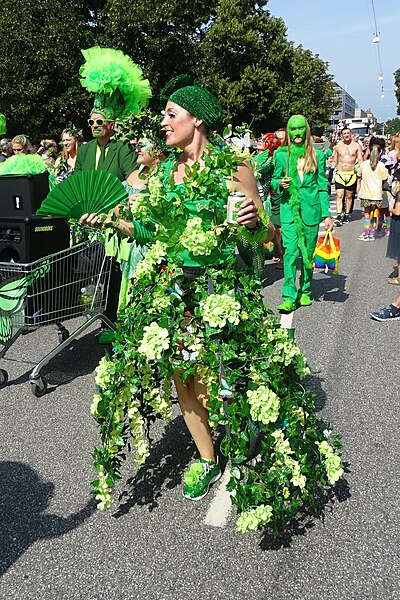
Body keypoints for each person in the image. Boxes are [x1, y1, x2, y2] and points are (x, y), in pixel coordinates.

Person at [76, 46, 152, 344]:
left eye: (99, 122)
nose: (94, 126)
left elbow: (130, 180)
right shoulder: (84, 150)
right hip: (87, 219)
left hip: (112, 219)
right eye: (91, 122)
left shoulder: (122, 150)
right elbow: (80, 182)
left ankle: (111, 321)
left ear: (111, 124)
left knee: (113, 272)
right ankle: (98, 314)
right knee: (90, 270)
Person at [271, 114, 334, 313]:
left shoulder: (318, 155)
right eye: (293, 129)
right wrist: (279, 184)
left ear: (305, 131)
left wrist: (327, 215)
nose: (297, 133)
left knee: (307, 254)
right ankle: (288, 296)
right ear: (288, 132)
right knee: (290, 253)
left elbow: (323, 186)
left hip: (311, 210)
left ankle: (305, 290)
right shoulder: (281, 155)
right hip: (289, 210)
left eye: (300, 129)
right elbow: (273, 180)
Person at [331, 127, 363, 225]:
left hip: (351, 173)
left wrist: (362, 170)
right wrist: (331, 170)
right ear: (342, 135)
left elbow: (360, 159)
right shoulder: (338, 146)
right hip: (340, 173)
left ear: (351, 134)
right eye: (344, 133)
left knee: (349, 196)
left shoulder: (356, 146)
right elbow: (335, 161)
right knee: (340, 195)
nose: (346, 135)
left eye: (348, 133)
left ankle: (347, 214)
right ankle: (339, 214)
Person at [356, 143, 387, 241]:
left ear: (369, 151)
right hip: (377, 194)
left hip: (366, 193)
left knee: (367, 213)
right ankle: (372, 234)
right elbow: (385, 179)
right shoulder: (382, 165)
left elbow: (359, 176)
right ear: (380, 153)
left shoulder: (364, 164)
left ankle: (366, 233)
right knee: (374, 213)